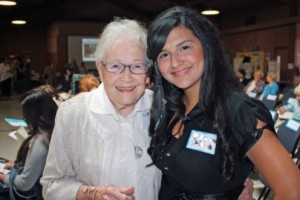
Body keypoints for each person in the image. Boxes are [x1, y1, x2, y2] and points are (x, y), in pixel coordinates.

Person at [40, 18, 253, 200]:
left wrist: (234, 182)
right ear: (100, 69)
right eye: (115, 66)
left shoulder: (166, 109)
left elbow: (197, 158)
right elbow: (51, 185)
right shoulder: (72, 114)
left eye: (137, 66)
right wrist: (92, 193)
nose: (127, 77)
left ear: (148, 71)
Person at [146, 6, 300, 200]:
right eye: (164, 54)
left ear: (206, 46)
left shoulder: (239, 112)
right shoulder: (170, 108)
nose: (175, 62)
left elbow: (293, 191)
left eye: (184, 47)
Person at [0, 89, 58, 199]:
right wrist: (13, 165)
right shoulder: (54, 131)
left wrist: (2, 177)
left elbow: (24, 184)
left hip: (32, 194)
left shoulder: (40, 142)